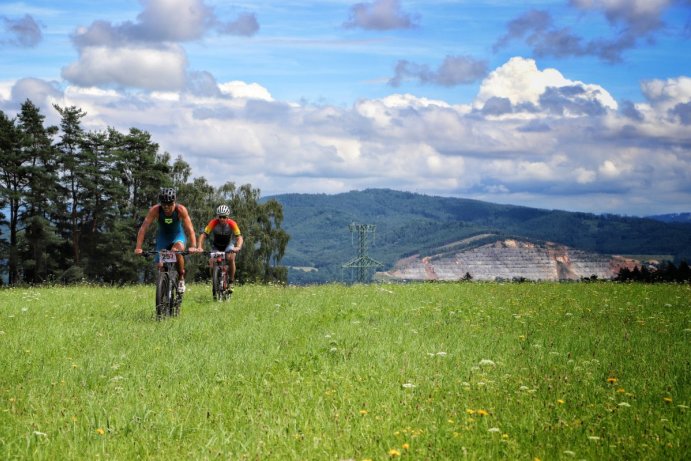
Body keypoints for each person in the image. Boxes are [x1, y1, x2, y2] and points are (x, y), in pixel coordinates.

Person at [134, 188, 200, 293]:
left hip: (177, 236)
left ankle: (181, 278)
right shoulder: (155, 210)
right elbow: (143, 228)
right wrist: (138, 247)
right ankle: (163, 294)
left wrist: (193, 246)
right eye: (164, 204)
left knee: (176, 251)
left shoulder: (180, 210)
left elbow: (190, 229)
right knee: (160, 265)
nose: (166, 207)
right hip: (163, 238)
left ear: (174, 202)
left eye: (169, 204)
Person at [197, 204, 243, 291]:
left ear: (227, 217)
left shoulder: (232, 223)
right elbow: (203, 235)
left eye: (224, 217)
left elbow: (239, 237)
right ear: (217, 216)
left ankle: (231, 282)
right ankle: (215, 280)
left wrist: (238, 247)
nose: (222, 219)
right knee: (211, 262)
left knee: (231, 258)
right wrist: (199, 247)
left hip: (228, 246)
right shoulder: (213, 223)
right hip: (216, 246)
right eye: (220, 217)